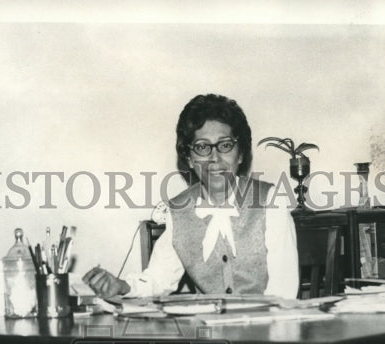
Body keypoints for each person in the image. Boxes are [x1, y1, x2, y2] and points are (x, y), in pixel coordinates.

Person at [83, 93, 299, 300]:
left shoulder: (271, 201)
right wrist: (122, 286)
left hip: (266, 330)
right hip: (209, 335)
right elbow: (159, 279)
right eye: (202, 147)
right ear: (189, 158)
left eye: (225, 145)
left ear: (241, 153)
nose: (214, 158)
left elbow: (284, 293)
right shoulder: (178, 212)